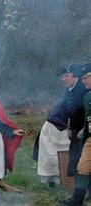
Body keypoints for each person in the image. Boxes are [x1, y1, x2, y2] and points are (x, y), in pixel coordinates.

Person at [34, 64, 86, 187]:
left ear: (75, 75)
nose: (63, 79)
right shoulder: (68, 89)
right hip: (59, 124)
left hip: (76, 128)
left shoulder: (83, 88)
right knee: (51, 154)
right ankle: (56, 179)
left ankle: (74, 183)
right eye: (62, 77)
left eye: (66, 76)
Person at [60, 65, 91, 206]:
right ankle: (78, 197)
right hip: (84, 133)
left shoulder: (85, 92)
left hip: (86, 133)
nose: (83, 81)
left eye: (86, 78)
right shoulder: (80, 94)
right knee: (81, 165)